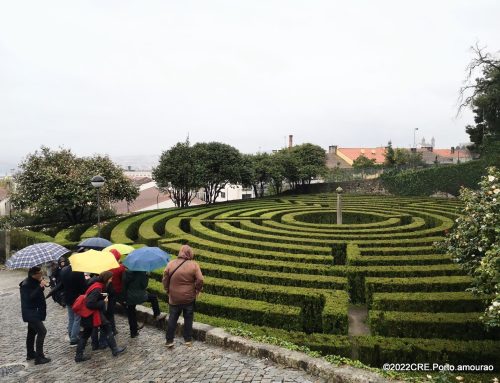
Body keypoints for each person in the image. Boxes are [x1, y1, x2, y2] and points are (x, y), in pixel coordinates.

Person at [74, 271, 126, 362]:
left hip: (89, 315)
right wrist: (103, 302)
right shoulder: (97, 288)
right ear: (106, 279)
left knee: (87, 333)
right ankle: (114, 349)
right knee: (106, 328)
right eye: (110, 279)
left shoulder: (96, 285)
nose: (111, 280)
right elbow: (90, 303)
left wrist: (101, 297)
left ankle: (79, 356)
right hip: (91, 315)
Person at [162, 245, 203, 348]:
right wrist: (197, 289)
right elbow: (200, 279)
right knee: (188, 318)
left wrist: (167, 290)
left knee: (172, 318)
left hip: (174, 297)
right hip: (189, 297)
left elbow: (165, 279)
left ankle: (169, 340)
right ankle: (188, 339)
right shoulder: (194, 265)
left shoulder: (170, 264)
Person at [19, 266, 51, 365]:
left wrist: (42, 284)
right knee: (42, 331)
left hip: (34, 311)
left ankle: (30, 353)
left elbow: (37, 293)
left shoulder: (34, 281)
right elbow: (30, 298)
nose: (41, 274)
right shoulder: (26, 284)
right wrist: (39, 286)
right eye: (40, 273)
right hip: (31, 313)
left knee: (31, 333)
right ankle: (39, 357)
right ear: (34, 274)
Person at [123, 268, 165, 338]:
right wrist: (146, 275)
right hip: (140, 295)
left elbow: (124, 284)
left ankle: (133, 333)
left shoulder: (127, 272)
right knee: (153, 298)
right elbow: (144, 285)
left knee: (131, 314)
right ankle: (157, 314)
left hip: (129, 296)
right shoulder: (142, 272)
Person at [108, 249, 126, 334]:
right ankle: (135, 325)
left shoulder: (105, 266)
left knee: (110, 311)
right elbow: (124, 279)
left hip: (108, 290)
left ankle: (112, 328)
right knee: (127, 306)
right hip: (118, 290)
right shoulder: (120, 267)